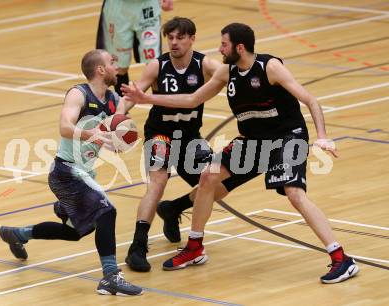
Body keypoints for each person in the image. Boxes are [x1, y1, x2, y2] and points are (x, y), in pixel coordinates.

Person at [122, 23, 360, 284]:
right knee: (207, 177)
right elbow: (192, 99)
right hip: (252, 141)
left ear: (240, 47)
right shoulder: (226, 72)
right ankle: (194, 247)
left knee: (294, 194)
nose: (219, 48)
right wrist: (147, 99)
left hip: (287, 138)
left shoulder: (269, 67)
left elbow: (311, 100)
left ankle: (341, 258)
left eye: (223, 44)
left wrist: (323, 136)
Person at [0, 49, 143, 296]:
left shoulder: (110, 99)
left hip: (84, 172)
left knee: (77, 232)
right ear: (100, 69)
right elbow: (65, 127)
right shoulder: (79, 94)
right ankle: (111, 277)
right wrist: (92, 135)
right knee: (107, 212)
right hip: (67, 171)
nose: (116, 66)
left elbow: (116, 127)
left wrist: (118, 139)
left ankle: (18, 234)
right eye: (111, 62)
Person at [124, 17, 241, 272]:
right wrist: (115, 118)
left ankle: (174, 208)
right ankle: (137, 246)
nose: (174, 43)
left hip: (190, 138)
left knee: (217, 186)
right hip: (160, 134)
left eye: (179, 37)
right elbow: (134, 94)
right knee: (157, 182)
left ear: (192, 39)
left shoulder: (206, 65)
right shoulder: (157, 65)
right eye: (170, 38)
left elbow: (236, 72)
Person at [96, 0, 174, 96]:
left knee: (154, 63)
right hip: (118, 8)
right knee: (119, 66)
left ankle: (160, 108)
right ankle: (122, 107)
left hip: (148, 5)